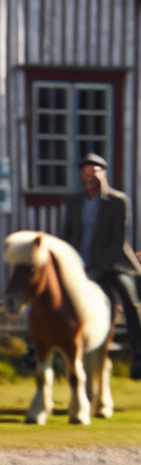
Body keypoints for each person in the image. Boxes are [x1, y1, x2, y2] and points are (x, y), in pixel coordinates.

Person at [61, 153, 141, 379]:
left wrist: (97, 269)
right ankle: (38, 348)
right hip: (80, 264)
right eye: (87, 174)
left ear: (103, 174)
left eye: (95, 173)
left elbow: (117, 241)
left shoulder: (117, 201)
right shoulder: (74, 202)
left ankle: (138, 356)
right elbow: (66, 234)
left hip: (112, 265)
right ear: (82, 177)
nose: (91, 178)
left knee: (130, 301)